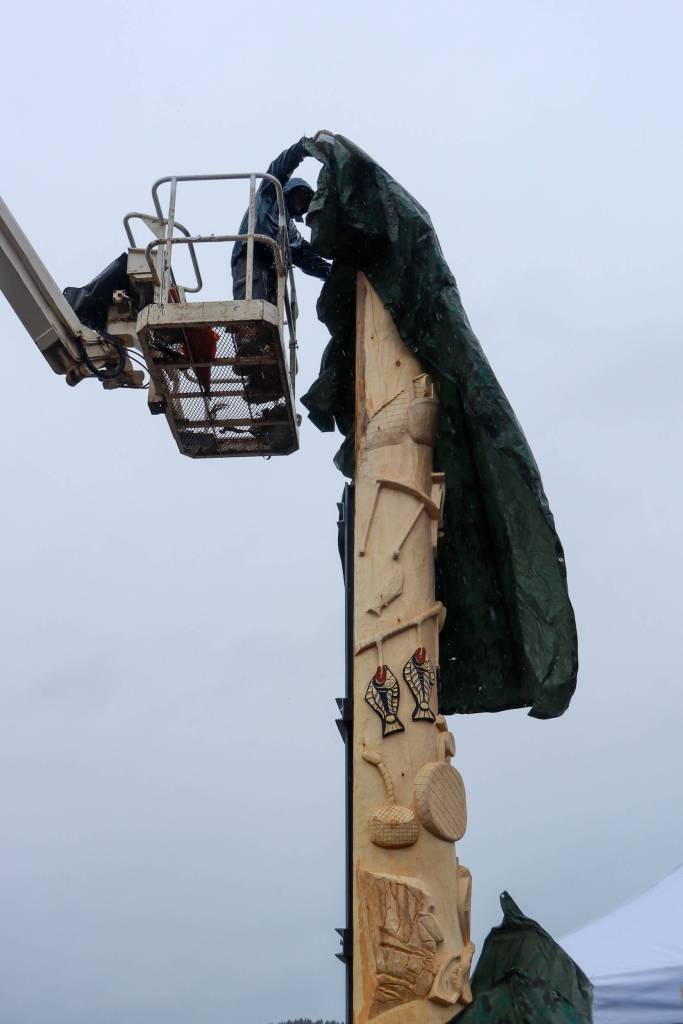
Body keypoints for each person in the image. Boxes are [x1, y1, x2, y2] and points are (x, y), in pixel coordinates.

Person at [231, 135, 332, 302]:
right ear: (289, 190)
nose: (302, 201)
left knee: (270, 319)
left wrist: (333, 273)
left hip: (273, 270)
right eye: (300, 194)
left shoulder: (290, 232)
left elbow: (306, 256)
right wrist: (303, 148)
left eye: (306, 200)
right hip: (251, 255)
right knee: (250, 306)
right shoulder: (270, 193)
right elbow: (281, 166)